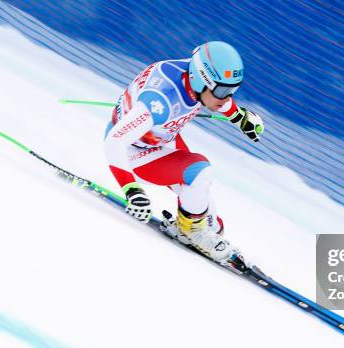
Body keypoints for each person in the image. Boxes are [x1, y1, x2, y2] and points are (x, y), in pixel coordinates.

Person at [104, 41, 264, 261]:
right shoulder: (160, 101)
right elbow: (115, 141)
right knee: (200, 172)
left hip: (161, 138)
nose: (227, 98)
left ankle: (191, 227)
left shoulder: (196, 79)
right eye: (223, 91)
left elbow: (219, 97)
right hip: (135, 151)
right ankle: (190, 231)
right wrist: (132, 190)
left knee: (214, 225)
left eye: (233, 90)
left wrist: (240, 118)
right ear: (202, 80)